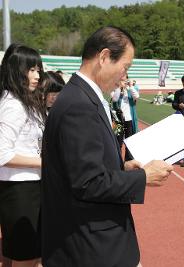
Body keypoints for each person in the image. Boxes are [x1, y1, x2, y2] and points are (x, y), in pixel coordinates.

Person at [41, 26, 173, 267]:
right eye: (125, 67)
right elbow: (88, 183)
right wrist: (144, 177)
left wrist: (120, 167)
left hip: (89, 239)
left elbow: (79, 167)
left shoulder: (79, 97)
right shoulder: (79, 105)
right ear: (103, 57)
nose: (125, 76)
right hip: (90, 246)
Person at [0, 43, 45, 267]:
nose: (37, 76)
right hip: (20, 190)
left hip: (25, 188)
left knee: (22, 255)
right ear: (16, 70)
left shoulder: (22, 101)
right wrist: (44, 162)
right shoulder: (14, 105)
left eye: (38, 70)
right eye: (31, 70)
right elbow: (2, 154)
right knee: (26, 258)